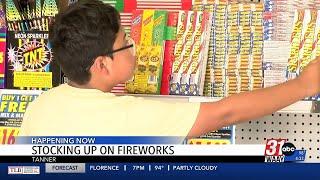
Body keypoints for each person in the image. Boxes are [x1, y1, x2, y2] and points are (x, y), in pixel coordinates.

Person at [20, 0, 320, 138]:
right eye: (125, 42)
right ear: (102, 64)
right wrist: (305, 84)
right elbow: (225, 113)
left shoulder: (39, 107)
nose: (134, 45)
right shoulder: (126, 115)